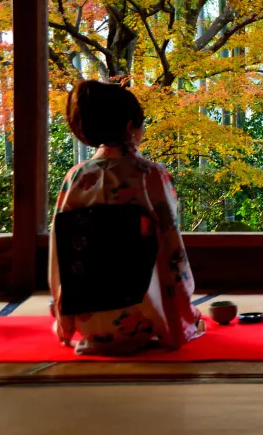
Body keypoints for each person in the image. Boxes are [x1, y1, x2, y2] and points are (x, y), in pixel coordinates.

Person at [50, 79, 204, 355]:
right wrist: (181, 314)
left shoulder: (76, 176)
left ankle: (80, 324)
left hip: (86, 314)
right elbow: (172, 251)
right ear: (130, 127)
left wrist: (64, 313)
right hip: (141, 315)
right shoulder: (150, 174)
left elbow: (59, 252)